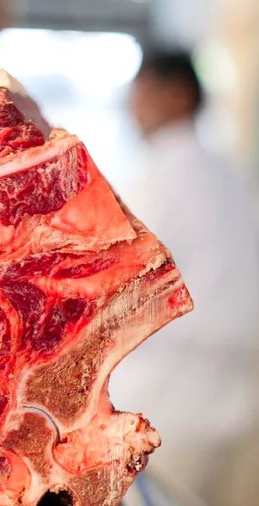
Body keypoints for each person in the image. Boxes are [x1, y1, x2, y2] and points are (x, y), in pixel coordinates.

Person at [110, 49, 259, 505]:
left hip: (166, 399)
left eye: (143, 92)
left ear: (177, 94)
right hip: (238, 406)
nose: (133, 106)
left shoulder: (159, 176)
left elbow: (118, 286)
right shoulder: (231, 173)